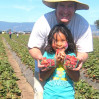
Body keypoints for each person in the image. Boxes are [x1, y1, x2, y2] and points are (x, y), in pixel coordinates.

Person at [28, 0, 93, 99]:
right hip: (43, 69)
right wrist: (43, 60)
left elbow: (84, 51)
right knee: (40, 95)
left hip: (66, 80)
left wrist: (75, 60)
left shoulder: (82, 24)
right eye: (62, 5)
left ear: (75, 8)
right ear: (56, 6)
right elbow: (33, 47)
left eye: (70, 6)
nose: (65, 10)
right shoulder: (43, 21)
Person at [39, 24, 80, 99]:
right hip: (49, 95)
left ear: (68, 41)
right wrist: (55, 63)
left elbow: (76, 78)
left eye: (63, 40)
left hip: (67, 96)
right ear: (51, 41)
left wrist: (65, 62)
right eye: (55, 41)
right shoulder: (47, 55)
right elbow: (42, 78)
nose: (59, 44)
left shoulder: (72, 56)